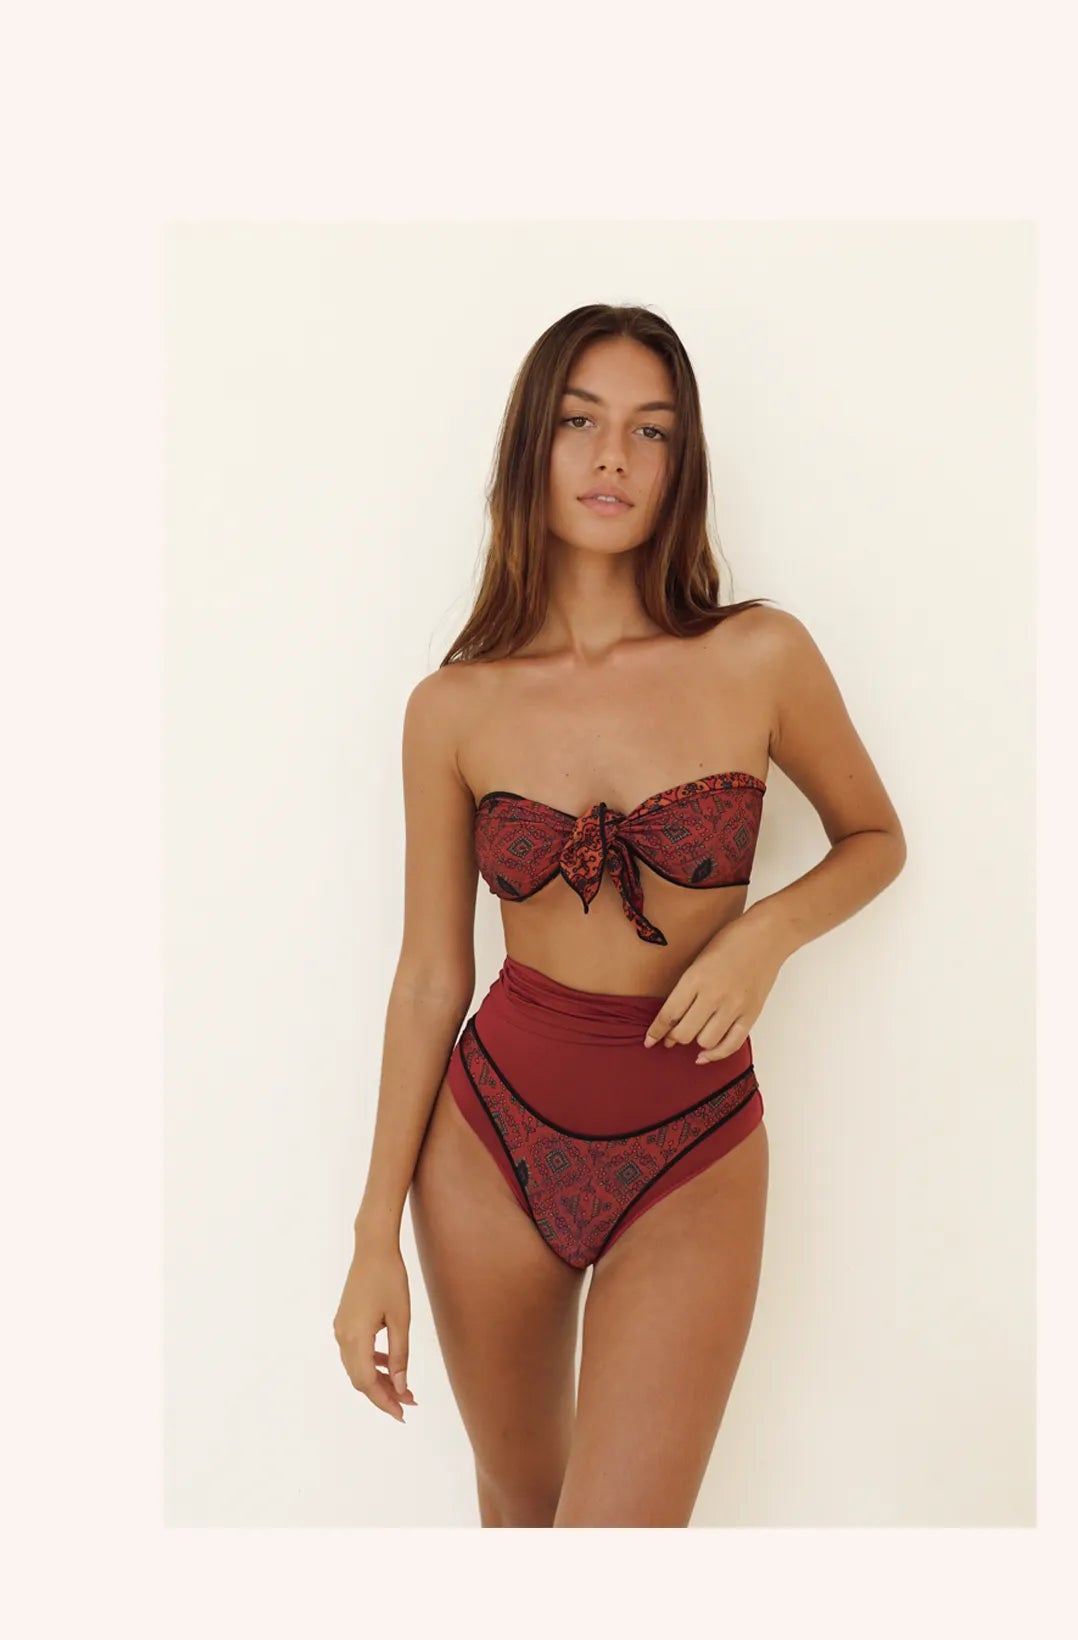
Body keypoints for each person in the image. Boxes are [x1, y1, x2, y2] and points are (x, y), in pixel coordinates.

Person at [333, 302, 907, 1526]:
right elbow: (430, 976)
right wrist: (373, 1233)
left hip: (694, 1143)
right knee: (521, 1515)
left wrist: (764, 934)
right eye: (580, 422)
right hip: (488, 1143)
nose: (612, 457)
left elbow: (876, 838)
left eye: (651, 431)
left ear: (681, 463)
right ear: (530, 445)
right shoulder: (452, 707)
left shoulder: (762, 656)